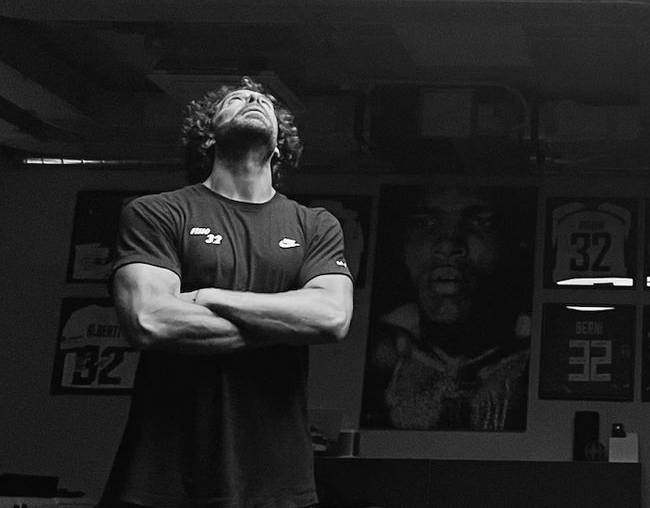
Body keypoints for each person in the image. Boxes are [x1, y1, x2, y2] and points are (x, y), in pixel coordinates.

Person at [100, 78, 354, 508]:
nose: (253, 99)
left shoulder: (315, 225)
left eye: (264, 101)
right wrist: (288, 323)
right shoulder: (156, 212)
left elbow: (331, 317)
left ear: (279, 147)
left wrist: (207, 297)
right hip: (163, 475)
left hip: (277, 479)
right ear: (208, 135)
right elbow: (149, 320)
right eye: (235, 100)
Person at [365, 183, 531, 430]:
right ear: (402, 244)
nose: (447, 246)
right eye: (425, 223)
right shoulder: (380, 355)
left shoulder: (534, 358)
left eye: (480, 222)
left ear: (517, 241)